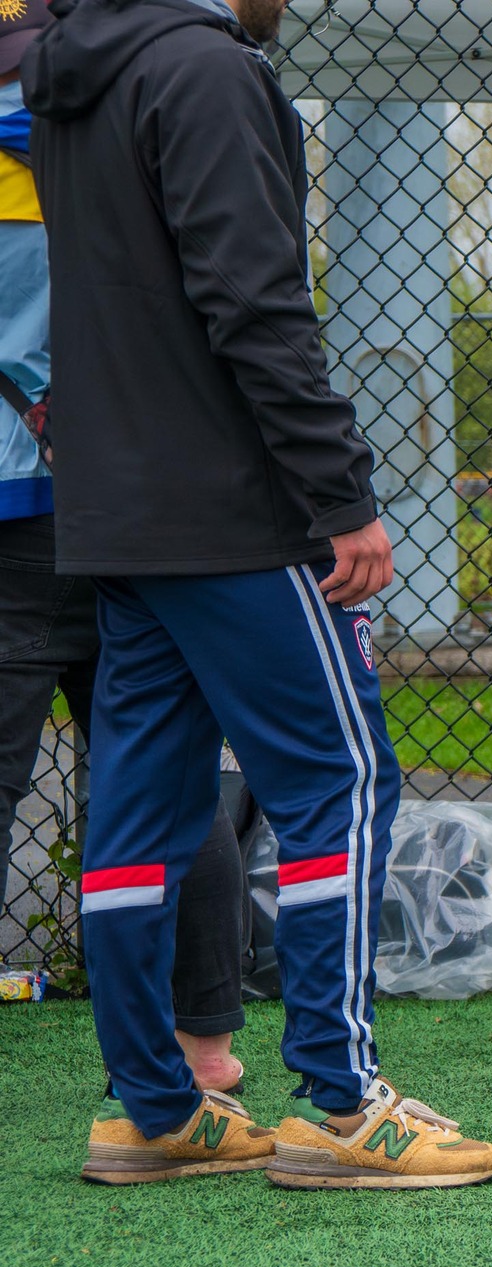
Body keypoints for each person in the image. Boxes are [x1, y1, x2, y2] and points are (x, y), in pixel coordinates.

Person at [24, 0, 492, 1186]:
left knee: (139, 811)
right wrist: (337, 492)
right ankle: (343, 1106)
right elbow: (253, 300)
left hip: (117, 511)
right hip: (229, 509)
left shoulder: (70, 78)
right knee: (339, 778)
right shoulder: (201, 68)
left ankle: (156, 1106)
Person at [0, 0, 249, 1097]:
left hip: (23, 495)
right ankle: (206, 1048)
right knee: (163, 776)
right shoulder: (165, 105)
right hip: (143, 492)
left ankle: (195, 1045)